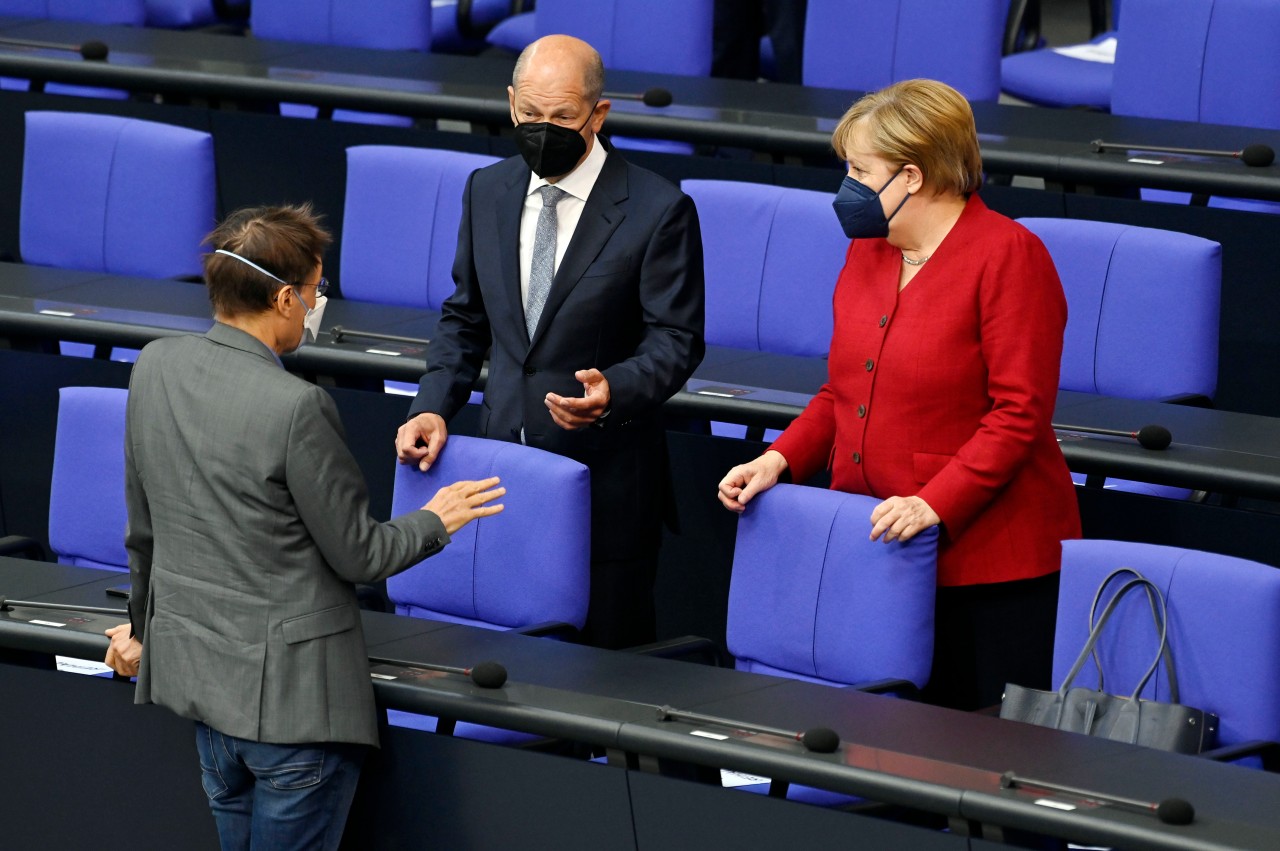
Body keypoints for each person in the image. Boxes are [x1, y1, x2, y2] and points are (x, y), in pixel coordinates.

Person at [103, 204, 506, 851]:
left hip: (203, 694)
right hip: (294, 714)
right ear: (287, 297)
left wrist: (143, 632)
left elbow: (141, 532)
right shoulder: (298, 406)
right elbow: (360, 554)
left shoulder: (154, 367)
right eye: (317, 291)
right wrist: (438, 518)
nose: (318, 305)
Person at [716, 79, 1081, 711]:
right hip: (879, 543)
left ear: (911, 175)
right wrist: (779, 459)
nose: (847, 186)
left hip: (988, 563)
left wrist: (933, 503)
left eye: (860, 170)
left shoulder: (1009, 257)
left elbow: (1019, 414)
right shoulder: (869, 250)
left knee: (972, 751)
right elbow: (842, 390)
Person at [395, 35, 705, 650]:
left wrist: (615, 388)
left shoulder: (658, 208)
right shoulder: (487, 189)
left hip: (605, 485)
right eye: (530, 114)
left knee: (600, 680)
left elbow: (676, 339)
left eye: (562, 117)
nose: (543, 129)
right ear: (510, 103)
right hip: (504, 476)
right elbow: (464, 319)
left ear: (600, 113)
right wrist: (431, 404)